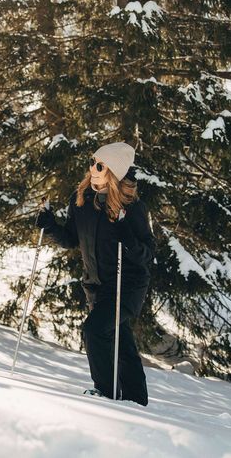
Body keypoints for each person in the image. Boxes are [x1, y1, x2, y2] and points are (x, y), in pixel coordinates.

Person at [36, 142, 154, 405]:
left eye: (100, 165)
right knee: (120, 340)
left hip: (127, 285)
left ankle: (106, 392)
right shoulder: (81, 200)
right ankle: (137, 400)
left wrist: (128, 238)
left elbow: (148, 252)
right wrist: (50, 226)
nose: (93, 168)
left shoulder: (132, 208)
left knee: (94, 330)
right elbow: (70, 239)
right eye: (92, 162)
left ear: (114, 171)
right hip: (96, 285)